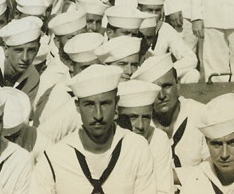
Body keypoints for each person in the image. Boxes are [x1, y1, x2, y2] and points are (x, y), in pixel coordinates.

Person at [32, 64, 158, 193]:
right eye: (89, 105)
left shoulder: (135, 148)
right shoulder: (54, 158)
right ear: (77, 106)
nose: (98, 115)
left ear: (116, 103)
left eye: (105, 104)